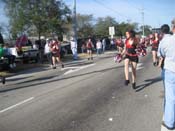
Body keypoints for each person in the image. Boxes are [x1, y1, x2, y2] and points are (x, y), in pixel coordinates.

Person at [158, 24, 175, 130]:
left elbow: (162, 53)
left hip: (171, 70)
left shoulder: (166, 41)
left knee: (170, 97)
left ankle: (169, 122)